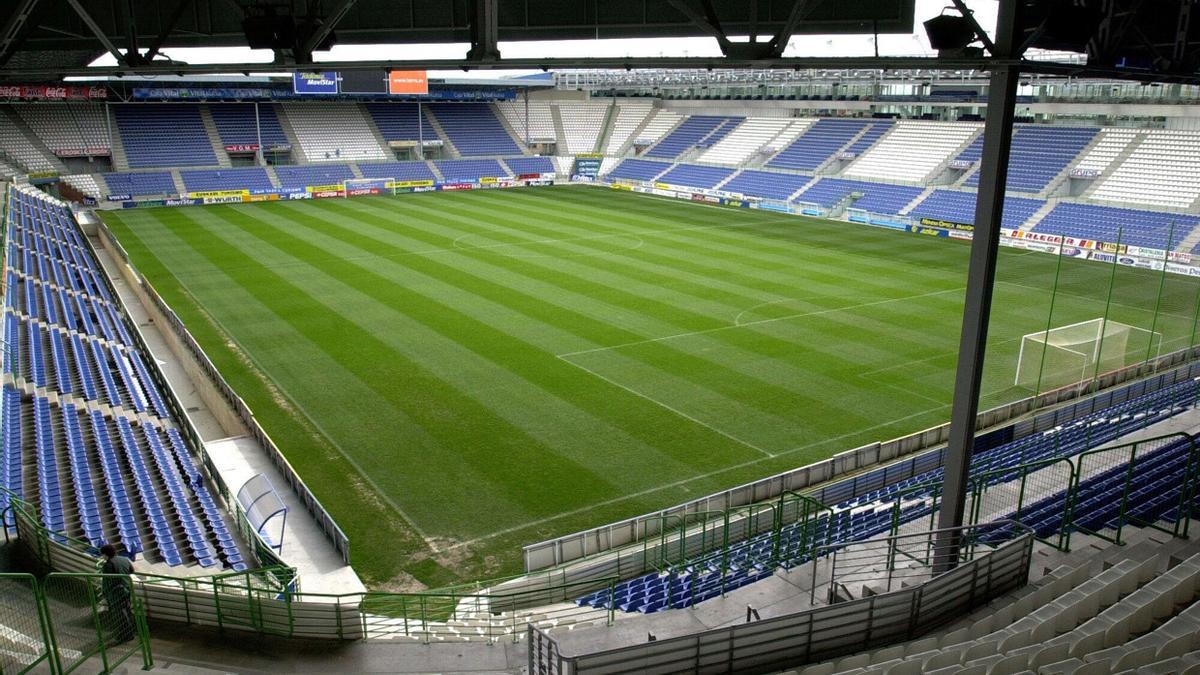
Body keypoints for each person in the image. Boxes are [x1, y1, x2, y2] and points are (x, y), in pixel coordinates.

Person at [99, 544, 136, 643]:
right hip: (127, 590)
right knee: (127, 612)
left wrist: (105, 594)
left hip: (116, 593)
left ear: (106, 554)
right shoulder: (124, 559)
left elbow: (107, 581)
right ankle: (130, 633)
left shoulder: (108, 565)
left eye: (102, 555)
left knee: (120, 616)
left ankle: (125, 636)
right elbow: (132, 570)